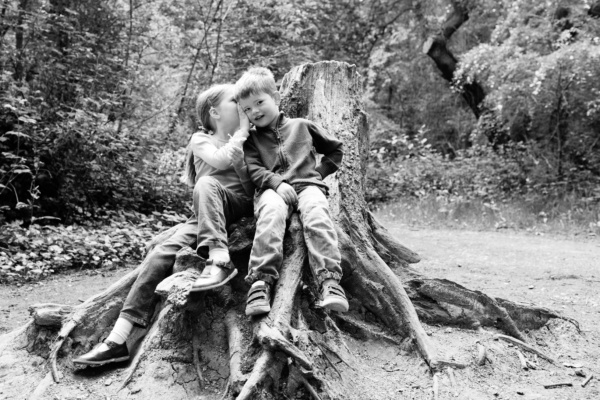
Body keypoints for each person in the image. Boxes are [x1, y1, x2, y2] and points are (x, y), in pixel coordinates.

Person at [73, 83, 254, 366]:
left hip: (240, 206)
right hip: (205, 216)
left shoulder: (250, 140)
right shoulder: (201, 140)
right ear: (215, 112)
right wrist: (241, 134)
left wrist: (245, 146)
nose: (243, 105)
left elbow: (250, 184)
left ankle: (219, 261)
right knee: (159, 254)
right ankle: (117, 340)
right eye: (235, 101)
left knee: (209, 184)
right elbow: (219, 161)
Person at [234, 67, 349, 317]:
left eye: (259, 102)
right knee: (271, 213)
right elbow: (253, 169)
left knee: (317, 214)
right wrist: (276, 183)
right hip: (271, 190)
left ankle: (329, 283)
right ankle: (260, 283)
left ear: (275, 98)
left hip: (308, 186)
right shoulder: (251, 141)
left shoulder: (302, 126)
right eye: (247, 109)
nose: (254, 111)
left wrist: (319, 173)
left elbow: (336, 150)